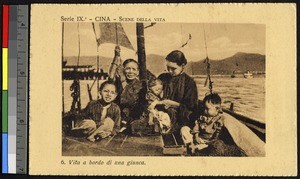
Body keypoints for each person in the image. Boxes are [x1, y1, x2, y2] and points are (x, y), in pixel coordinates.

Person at [158, 50, 198, 132]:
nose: (169, 71)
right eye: (167, 67)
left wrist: (172, 103)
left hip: (180, 117)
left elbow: (191, 107)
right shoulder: (162, 77)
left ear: (182, 66)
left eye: (173, 68)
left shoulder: (189, 82)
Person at [117, 59, 143, 132]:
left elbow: (128, 100)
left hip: (133, 115)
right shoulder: (118, 83)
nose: (131, 71)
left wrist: (123, 82)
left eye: (133, 69)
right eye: (128, 69)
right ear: (123, 70)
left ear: (137, 72)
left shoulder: (140, 85)